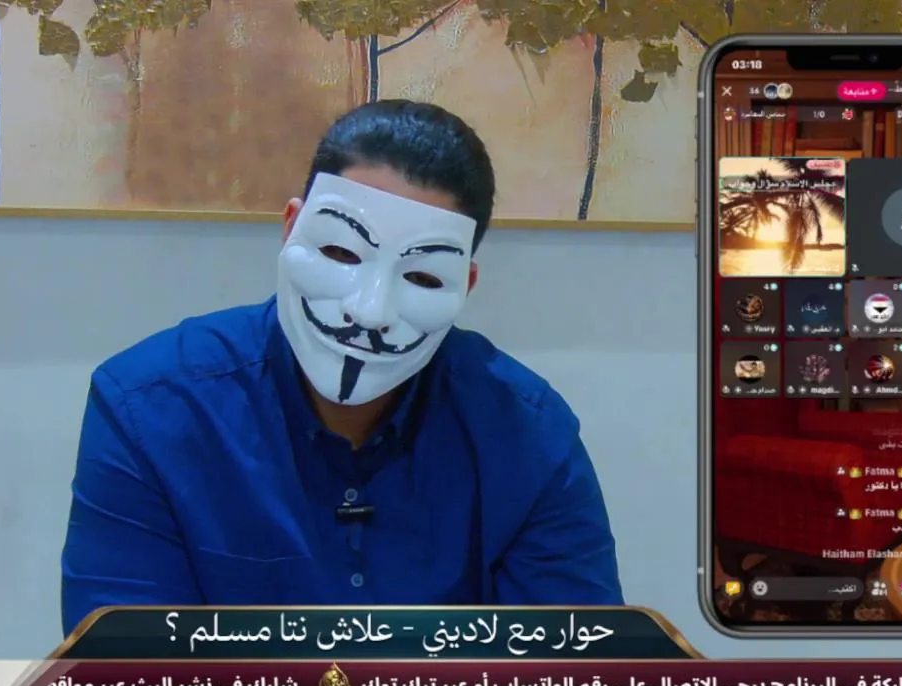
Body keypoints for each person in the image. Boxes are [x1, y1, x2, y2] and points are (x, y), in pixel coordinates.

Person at [61, 100, 623, 636]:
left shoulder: (527, 434)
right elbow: (128, 673)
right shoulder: (151, 409)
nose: (369, 311)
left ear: (465, 284)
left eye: (422, 277)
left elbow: (575, 669)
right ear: (291, 228)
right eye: (340, 253)